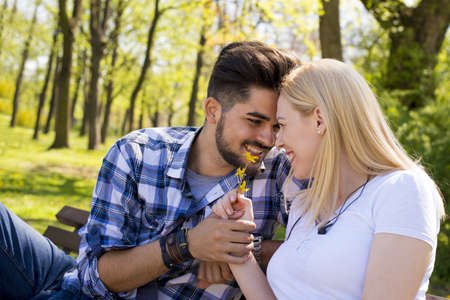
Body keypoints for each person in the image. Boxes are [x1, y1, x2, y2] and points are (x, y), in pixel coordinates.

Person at [0, 41, 299, 300]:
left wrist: (244, 248)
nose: (268, 140)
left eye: (277, 126)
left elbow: (320, 249)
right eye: (254, 121)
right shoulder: (138, 153)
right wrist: (188, 244)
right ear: (212, 110)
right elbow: (94, 278)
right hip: (77, 284)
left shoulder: (281, 170)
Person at [212, 59, 445, 300]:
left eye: (281, 125)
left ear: (319, 120)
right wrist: (240, 246)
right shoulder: (307, 203)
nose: (276, 142)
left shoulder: (402, 190)